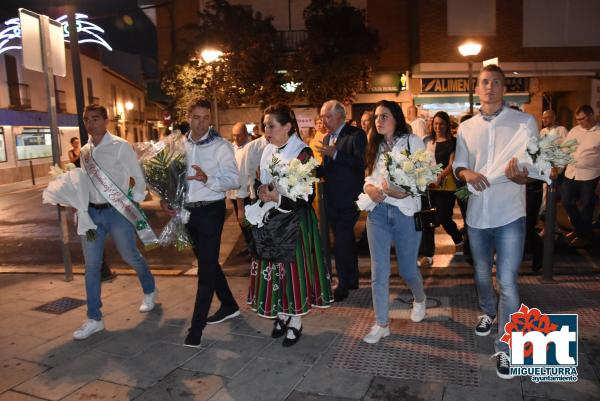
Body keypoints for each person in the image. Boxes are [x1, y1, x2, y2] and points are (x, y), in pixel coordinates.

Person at [453, 64, 537, 379]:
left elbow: (535, 168)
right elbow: (459, 164)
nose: (490, 87)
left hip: (510, 213)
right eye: (485, 82)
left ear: (504, 88)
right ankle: (488, 310)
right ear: (477, 88)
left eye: (496, 82)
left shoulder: (524, 122)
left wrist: (525, 176)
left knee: (509, 281)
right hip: (476, 214)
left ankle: (507, 348)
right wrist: (466, 173)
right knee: (480, 273)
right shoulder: (466, 127)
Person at [247, 104, 333, 346]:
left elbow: (306, 197)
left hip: (295, 223)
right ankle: (282, 312)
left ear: (287, 126)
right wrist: (260, 190)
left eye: (271, 125)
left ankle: (296, 319)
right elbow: (260, 182)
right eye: (265, 126)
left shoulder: (302, 153)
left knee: (294, 272)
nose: (266, 131)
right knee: (276, 270)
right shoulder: (267, 151)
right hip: (272, 220)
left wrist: (277, 197)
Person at [161, 97, 240, 348]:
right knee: (208, 262)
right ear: (188, 116)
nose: (201, 123)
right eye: (196, 117)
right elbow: (171, 177)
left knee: (205, 271)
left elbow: (233, 180)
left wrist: (208, 178)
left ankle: (196, 328)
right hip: (187, 214)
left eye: (206, 118)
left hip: (211, 212)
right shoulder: (178, 145)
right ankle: (228, 304)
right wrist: (167, 199)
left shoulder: (221, 146)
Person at [73, 104, 157, 340]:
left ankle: (149, 288)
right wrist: (78, 206)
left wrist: (133, 205)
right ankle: (94, 318)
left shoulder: (120, 146)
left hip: (117, 213)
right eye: (87, 119)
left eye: (96, 119)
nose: (91, 124)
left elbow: (138, 178)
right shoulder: (85, 151)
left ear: (106, 120)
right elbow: (84, 183)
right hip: (91, 215)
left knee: (130, 256)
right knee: (91, 266)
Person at [362, 100, 428, 344]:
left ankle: (419, 298)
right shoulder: (374, 145)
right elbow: (368, 177)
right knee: (379, 271)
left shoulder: (412, 142)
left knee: (408, 270)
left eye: (384, 116)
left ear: (396, 118)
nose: (378, 121)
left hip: (406, 213)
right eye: (377, 117)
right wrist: (369, 188)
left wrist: (405, 192)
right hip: (377, 212)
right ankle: (381, 323)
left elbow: (424, 177)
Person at [316, 100, 368, 302]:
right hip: (332, 198)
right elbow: (326, 168)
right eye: (322, 117)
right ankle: (352, 278)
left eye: (327, 116)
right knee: (344, 241)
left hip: (349, 198)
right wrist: (307, 170)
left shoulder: (356, 135)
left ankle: (343, 283)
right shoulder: (328, 137)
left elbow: (360, 163)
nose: (324, 120)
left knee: (341, 242)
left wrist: (336, 154)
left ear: (340, 116)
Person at [419, 111, 464, 268]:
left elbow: (452, 164)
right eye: (435, 124)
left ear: (447, 125)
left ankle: (458, 238)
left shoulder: (453, 142)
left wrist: (440, 176)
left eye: (441, 124)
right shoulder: (427, 141)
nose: (438, 127)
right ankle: (428, 254)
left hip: (446, 186)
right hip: (429, 186)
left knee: (444, 217)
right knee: (429, 219)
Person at [561, 105, 600, 248]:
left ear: (590, 116)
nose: (579, 122)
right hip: (571, 173)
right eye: (577, 119)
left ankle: (582, 235)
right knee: (566, 202)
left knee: (587, 206)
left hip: (590, 175)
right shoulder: (574, 131)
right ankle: (582, 231)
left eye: (581, 119)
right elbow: (565, 149)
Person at [227, 122, 252, 256]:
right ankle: (248, 244)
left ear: (246, 134)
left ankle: (253, 247)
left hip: (247, 193)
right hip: (233, 192)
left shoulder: (250, 148)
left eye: (239, 135)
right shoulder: (231, 148)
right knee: (240, 222)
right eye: (234, 136)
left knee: (248, 221)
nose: (236, 139)